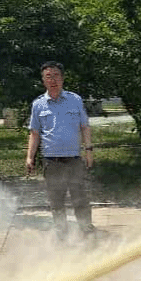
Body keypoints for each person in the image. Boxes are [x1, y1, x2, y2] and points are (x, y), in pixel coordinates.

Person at [26, 61, 95, 241]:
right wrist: (29, 157)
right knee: (56, 202)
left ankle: (87, 232)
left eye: (56, 75)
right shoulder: (38, 104)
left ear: (62, 78)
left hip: (74, 159)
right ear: (43, 80)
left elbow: (85, 126)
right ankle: (62, 236)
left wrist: (89, 151)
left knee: (80, 199)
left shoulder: (75, 100)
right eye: (48, 76)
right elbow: (34, 133)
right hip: (51, 161)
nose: (53, 80)